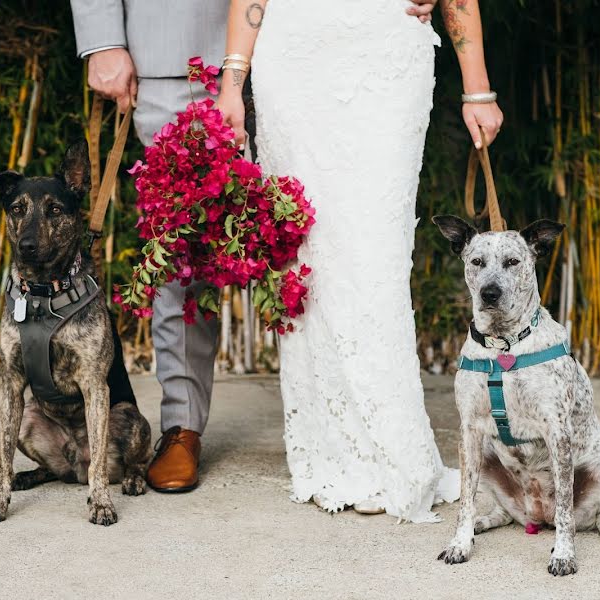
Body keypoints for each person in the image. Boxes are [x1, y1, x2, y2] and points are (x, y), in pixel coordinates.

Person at [70, 0, 440, 495]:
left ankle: (336, 428)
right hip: (175, 52)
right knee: (184, 247)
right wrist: (103, 38)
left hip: (311, 43)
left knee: (325, 236)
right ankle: (182, 426)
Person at [217, 0, 503, 519]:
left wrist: (477, 88)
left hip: (385, 54)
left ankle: (393, 448)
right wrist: (232, 80)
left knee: (376, 250)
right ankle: (330, 448)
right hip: (295, 54)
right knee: (309, 250)